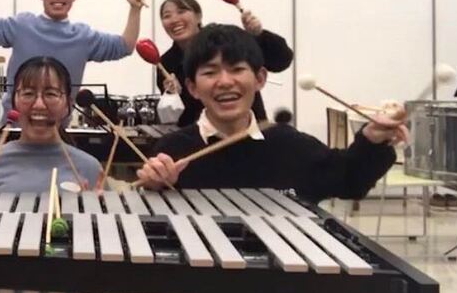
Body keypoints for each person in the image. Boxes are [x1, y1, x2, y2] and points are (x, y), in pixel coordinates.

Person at [136, 24, 405, 202]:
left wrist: (372, 140)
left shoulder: (291, 145)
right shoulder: (173, 151)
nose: (225, 81)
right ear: (193, 88)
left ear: (260, 79)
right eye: (210, 72)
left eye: (237, 69)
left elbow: (350, 181)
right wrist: (154, 186)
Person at [0, 0, 144, 118]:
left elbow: (125, 46)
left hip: (58, 131)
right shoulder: (22, 25)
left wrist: (135, 9)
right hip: (15, 127)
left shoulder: (83, 37)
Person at [0, 57, 104, 193]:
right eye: (28, 94)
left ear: (68, 105)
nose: (39, 105)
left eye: (51, 94)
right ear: (14, 103)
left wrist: (97, 207)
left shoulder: (90, 168)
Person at [156, 0, 292, 125]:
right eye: (167, 16)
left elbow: (282, 60)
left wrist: (259, 35)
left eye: (181, 11)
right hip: (199, 136)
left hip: (250, 129)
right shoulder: (166, 63)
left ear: (198, 16)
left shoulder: (226, 41)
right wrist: (173, 96)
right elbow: (174, 118)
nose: (174, 19)